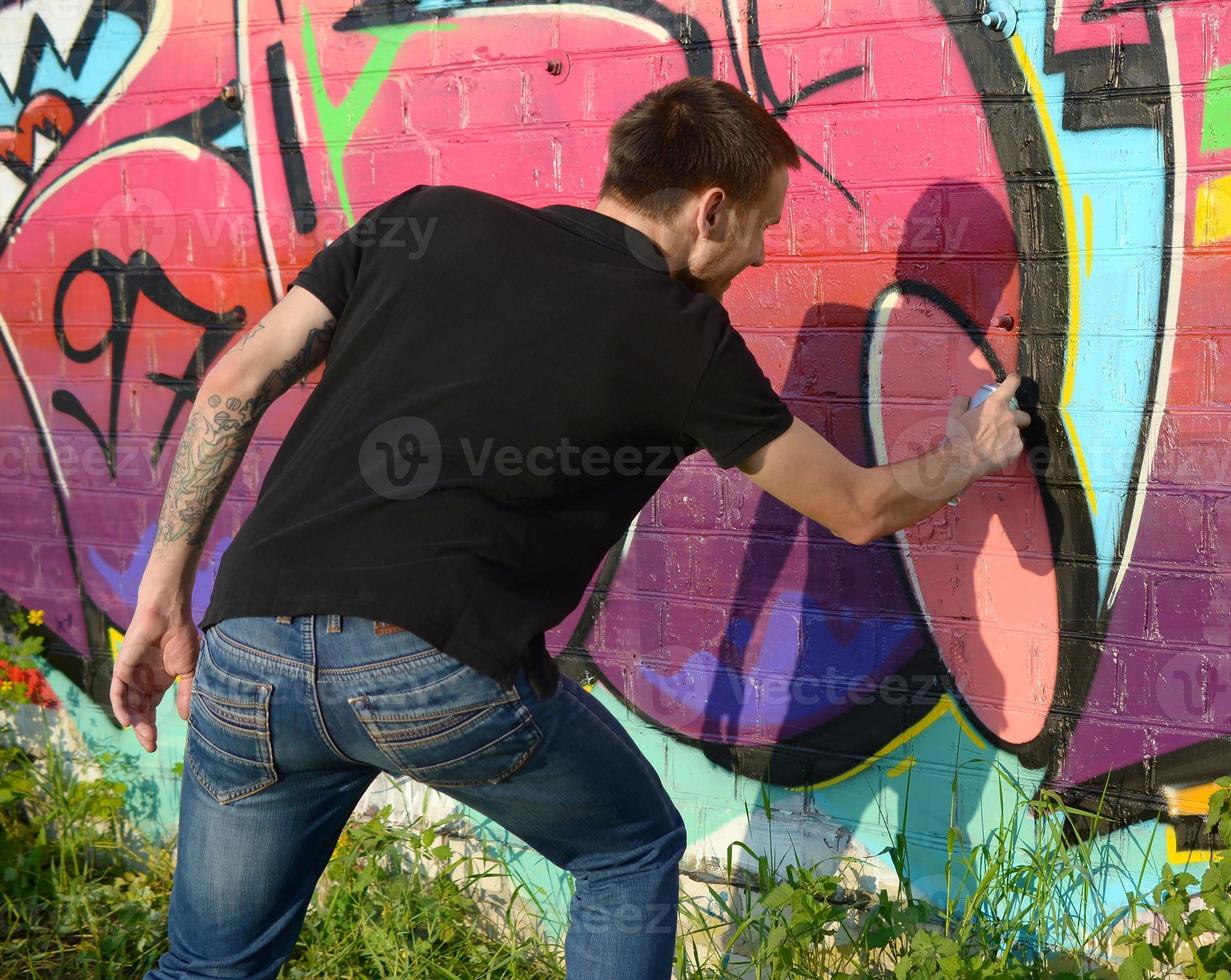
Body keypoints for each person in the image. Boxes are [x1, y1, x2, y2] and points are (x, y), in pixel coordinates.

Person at [112, 76, 1029, 979]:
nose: (759, 255)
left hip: (249, 646)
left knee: (206, 965)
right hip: (428, 662)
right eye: (762, 224)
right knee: (630, 852)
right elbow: (859, 508)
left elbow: (236, 381)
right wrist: (966, 455)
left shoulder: (422, 217)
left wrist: (164, 590)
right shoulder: (685, 338)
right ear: (711, 210)